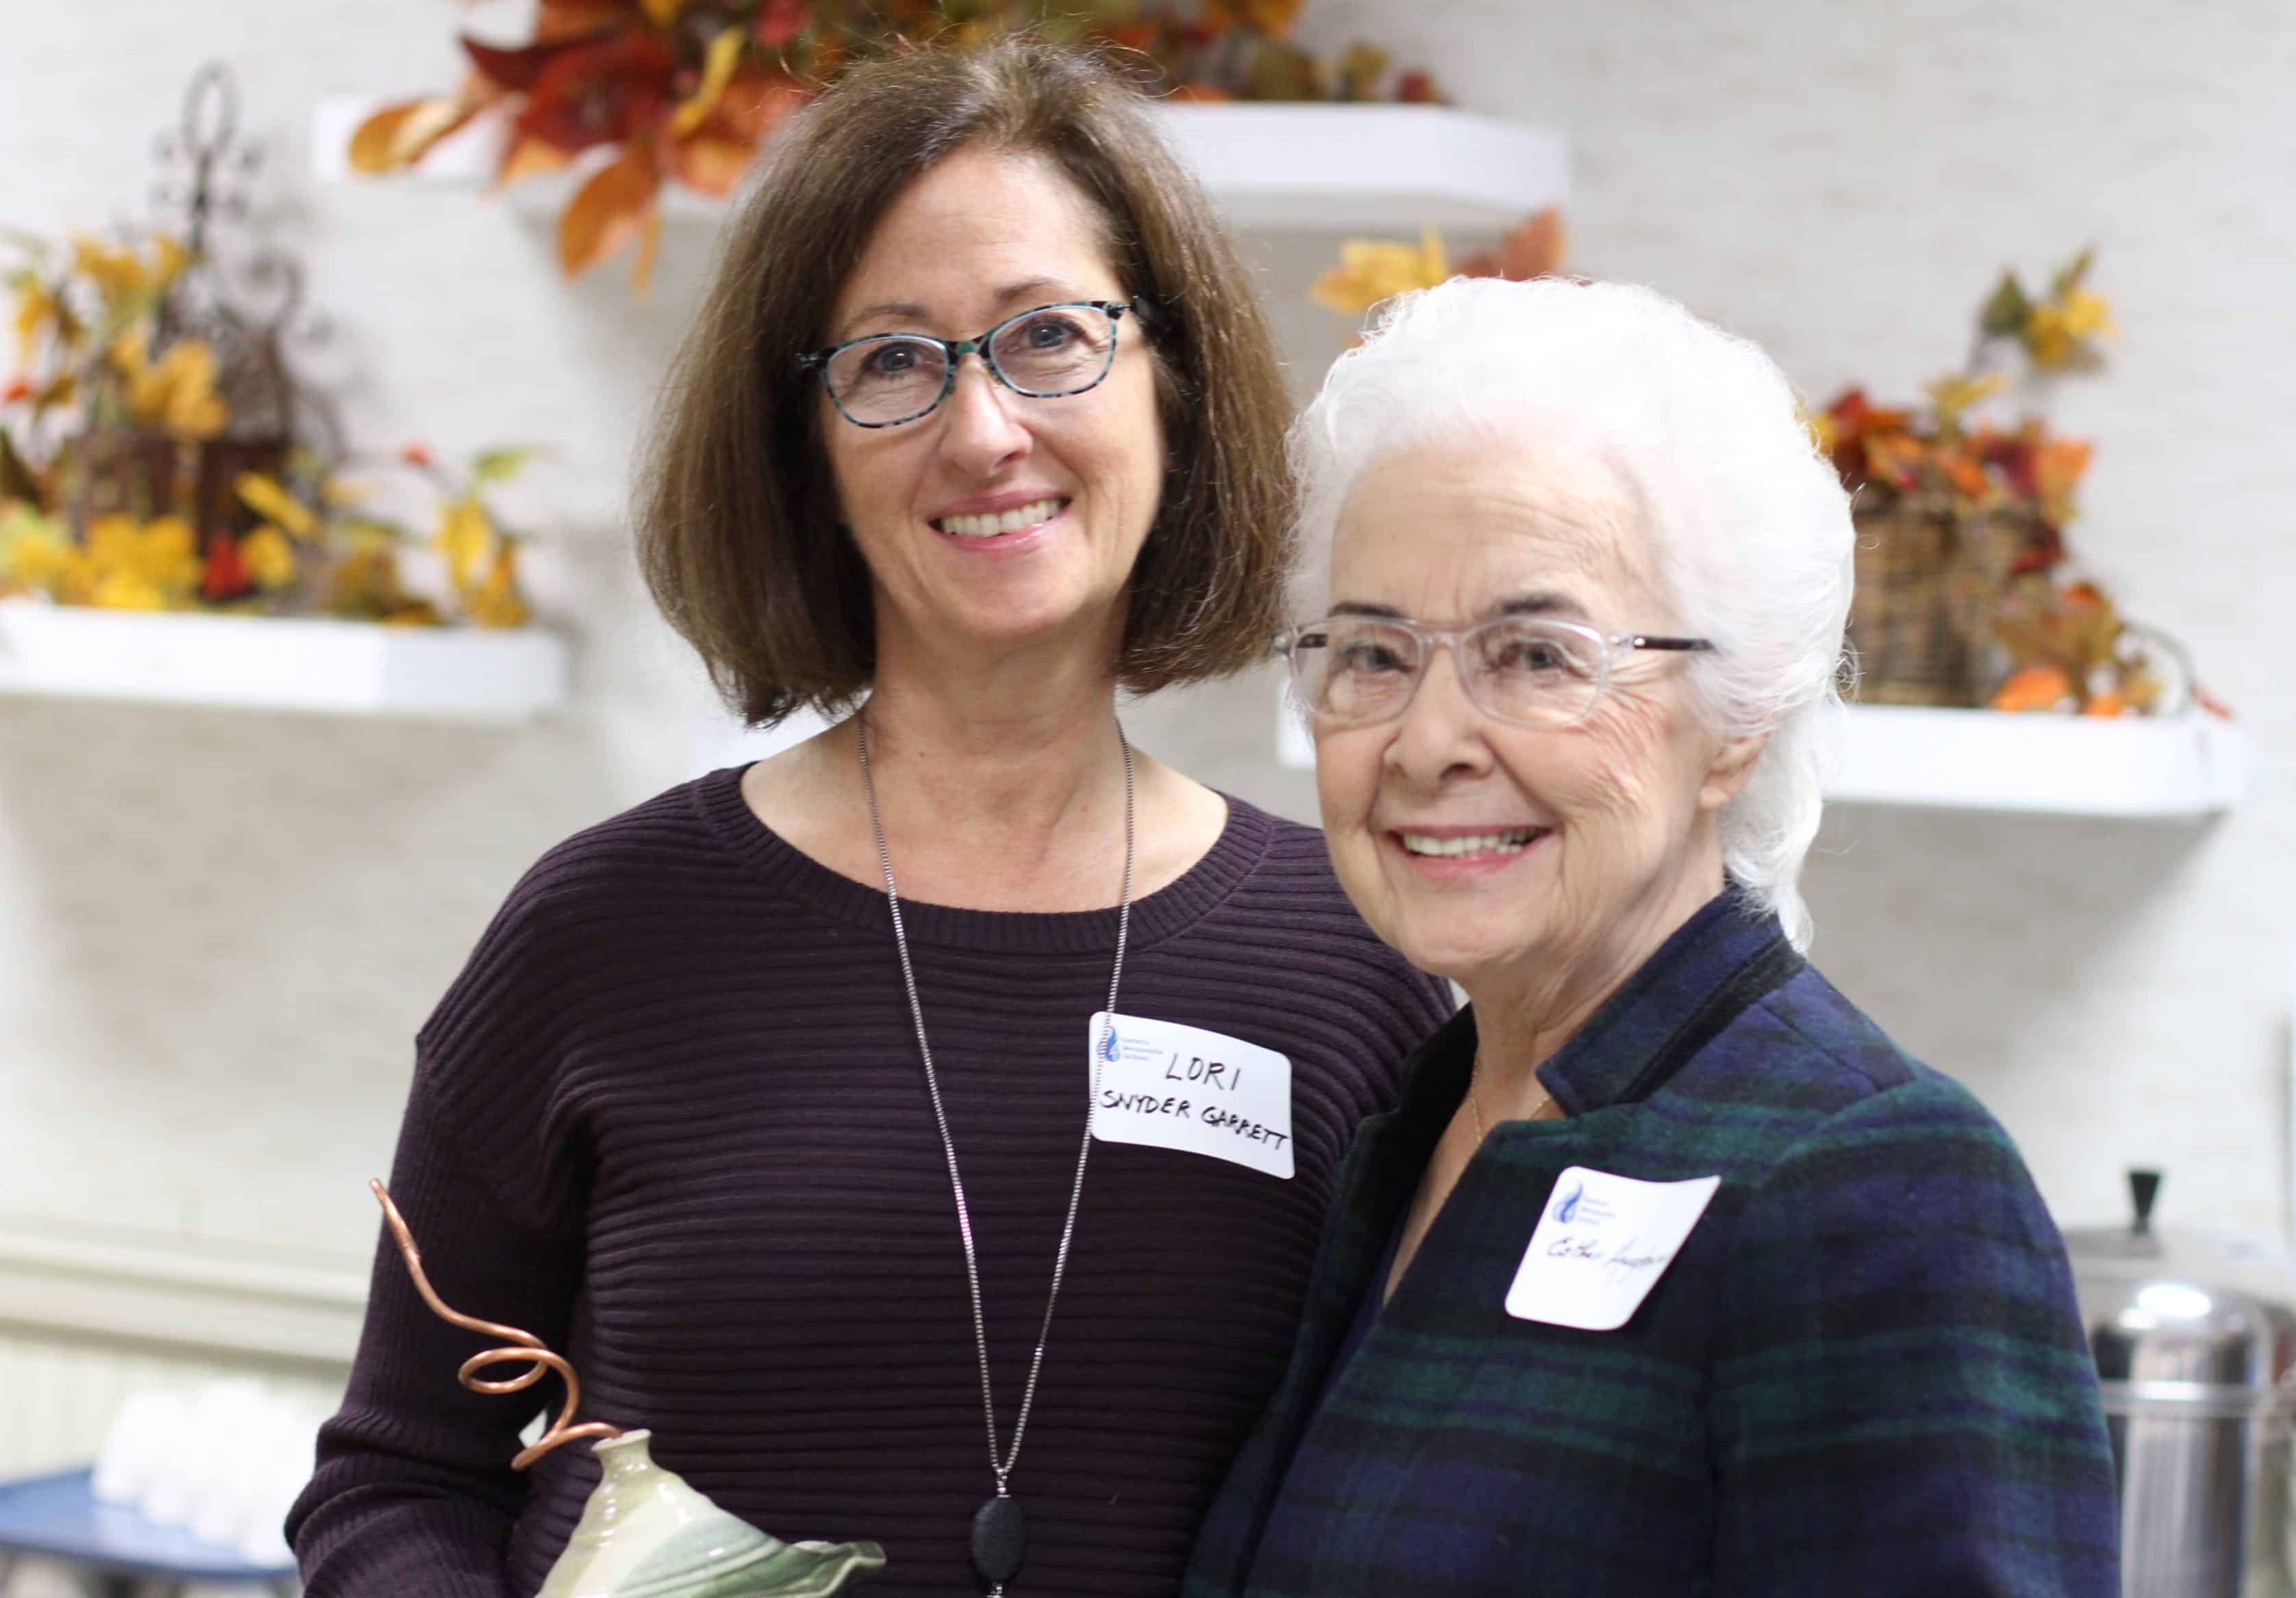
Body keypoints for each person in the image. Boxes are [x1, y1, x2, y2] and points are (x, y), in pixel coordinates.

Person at [288, 38, 1448, 1598]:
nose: (984, 434)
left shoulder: (1354, 964)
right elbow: (400, 1481)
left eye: (1049, 336)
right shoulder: (605, 935)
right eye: (893, 362)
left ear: (1171, 383)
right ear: (807, 455)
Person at [1182, 275, 2119, 1597]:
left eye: (1538, 656)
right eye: (1374, 654)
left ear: (1734, 722)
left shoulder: (1877, 1184)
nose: (1432, 741)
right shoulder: (1413, 1128)